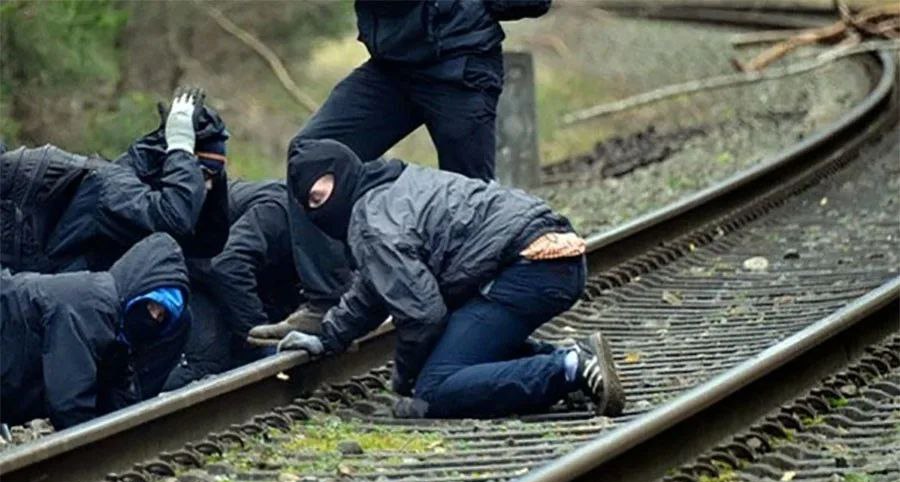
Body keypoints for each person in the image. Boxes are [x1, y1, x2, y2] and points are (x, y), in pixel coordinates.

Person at [248, 0, 553, 342]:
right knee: (310, 152)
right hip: (392, 66)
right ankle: (327, 302)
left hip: (458, 59)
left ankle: (489, 323)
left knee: (469, 203)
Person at [274, 139, 624, 419]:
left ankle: (570, 369)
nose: (319, 209)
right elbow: (376, 285)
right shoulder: (392, 186)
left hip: (529, 269)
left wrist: (407, 378)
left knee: (437, 388)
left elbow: (422, 315)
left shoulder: (372, 223)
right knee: (457, 351)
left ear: (342, 174)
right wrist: (329, 336)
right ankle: (571, 358)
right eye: (310, 204)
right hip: (553, 257)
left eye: (321, 195)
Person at [0, 87, 230, 274]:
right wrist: (180, 146)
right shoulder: (111, 189)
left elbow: (203, 245)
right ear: (172, 163)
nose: (206, 186)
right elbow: (172, 220)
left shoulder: (140, 178)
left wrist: (213, 183)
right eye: (201, 175)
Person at [163, 179, 351, 389]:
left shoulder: (334, 226)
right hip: (191, 266)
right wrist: (258, 334)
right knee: (207, 362)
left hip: (240, 273)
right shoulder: (277, 213)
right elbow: (228, 265)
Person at [1, 233, 191, 430]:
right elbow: (70, 401)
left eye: (162, 316)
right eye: (152, 305)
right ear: (138, 289)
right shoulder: (94, 308)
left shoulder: (115, 324)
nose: (153, 317)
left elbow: (117, 393)